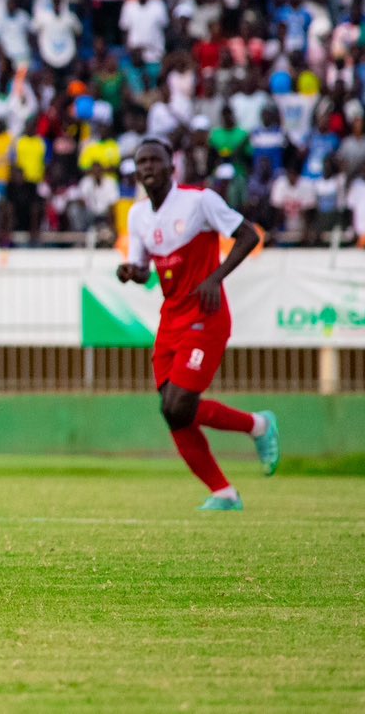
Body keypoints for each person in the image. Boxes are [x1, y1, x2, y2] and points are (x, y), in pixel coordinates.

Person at [114, 139, 280, 510]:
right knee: (172, 410)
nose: (147, 168)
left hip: (206, 316)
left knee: (179, 405)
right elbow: (144, 270)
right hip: (171, 318)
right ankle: (224, 492)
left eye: (155, 160)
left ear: (172, 166)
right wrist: (131, 272)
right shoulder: (137, 215)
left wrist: (216, 277)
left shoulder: (199, 201)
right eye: (141, 162)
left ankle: (259, 426)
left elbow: (249, 235)